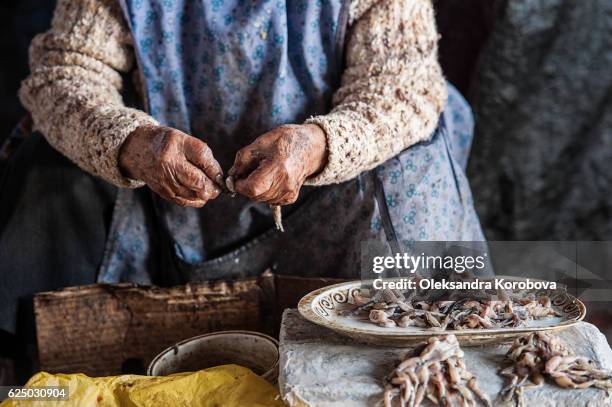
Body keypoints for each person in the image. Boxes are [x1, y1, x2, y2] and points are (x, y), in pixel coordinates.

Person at [0, 0, 484, 363]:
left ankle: (416, 357)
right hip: (159, 210)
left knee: (416, 158)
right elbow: (66, 71)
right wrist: (132, 144)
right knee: (48, 156)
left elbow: (403, 82)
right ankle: (52, 365)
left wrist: (317, 145)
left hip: (332, 204)